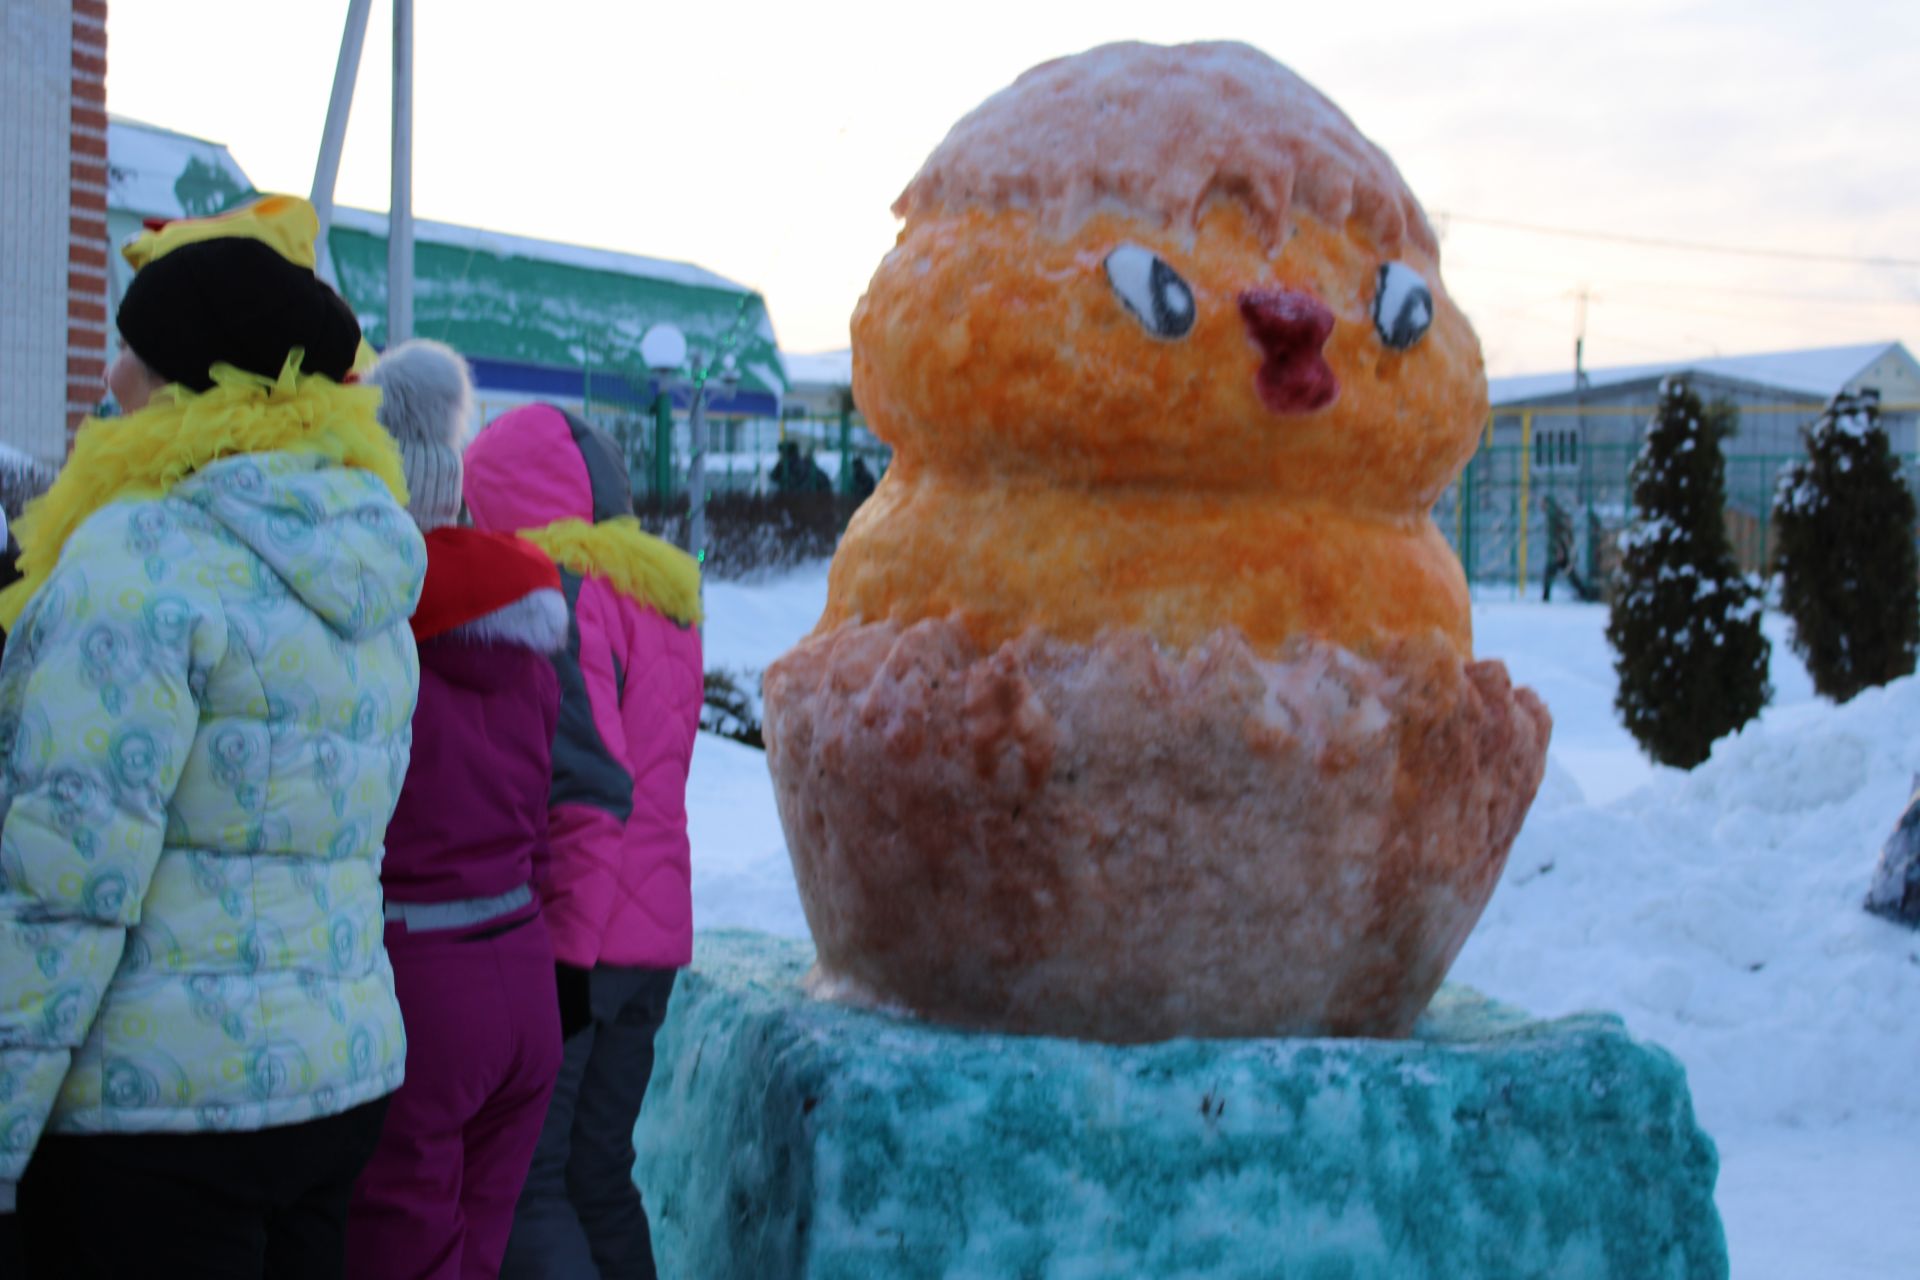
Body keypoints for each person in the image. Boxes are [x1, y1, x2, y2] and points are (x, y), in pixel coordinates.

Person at [0, 194, 425, 1278]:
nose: (109, 379)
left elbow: (63, 879)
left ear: (189, 378)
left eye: (129, 352)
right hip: (331, 1082)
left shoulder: (137, 553)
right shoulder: (368, 559)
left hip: (154, 1110)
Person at [463, 404, 703, 1280]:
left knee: (535, 1183)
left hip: (588, 947)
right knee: (600, 1174)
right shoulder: (660, 598)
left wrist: (564, 967)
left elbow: (590, 788)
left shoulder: (563, 595)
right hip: (655, 941)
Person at [346, 342, 570, 1278]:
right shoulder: (525, 621)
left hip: (420, 981)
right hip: (522, 968)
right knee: (477, 1253)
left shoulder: (371, 620)